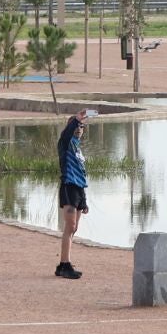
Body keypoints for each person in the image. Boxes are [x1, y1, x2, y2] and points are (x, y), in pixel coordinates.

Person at [54, 109, 93, 280]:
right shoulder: (65, 143)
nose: (78, 129)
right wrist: (76, 119)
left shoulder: (77, 147)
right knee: (69, 226)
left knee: (74, 228)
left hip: (78, 189)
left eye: (81, 127)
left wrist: (84, 200)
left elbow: (82, 173)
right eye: (76, 126)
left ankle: (63, 264)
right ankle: (65, 264)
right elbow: (67, 133)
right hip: (68, 187)